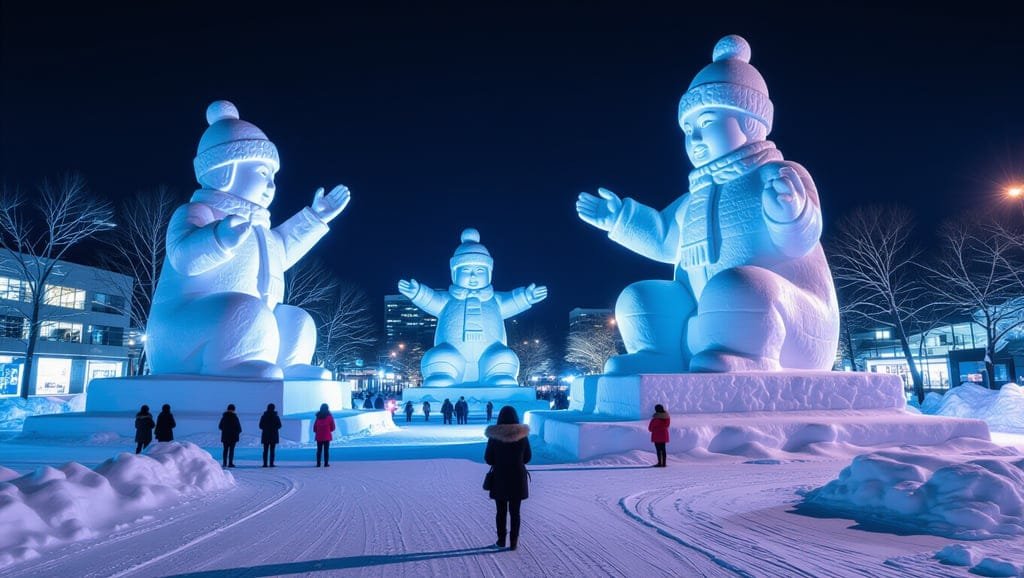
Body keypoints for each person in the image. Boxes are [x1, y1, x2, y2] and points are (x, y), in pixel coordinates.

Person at [575, 35, 839, 375]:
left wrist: (788, 211)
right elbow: (663, 236)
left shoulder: (775, 175)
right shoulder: (694, 199)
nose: (695, 138)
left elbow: (799, 241)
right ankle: (661, 354)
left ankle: (749, 356)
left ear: (750, 122)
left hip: (791, 325)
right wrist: (621, 219)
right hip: (705, 321)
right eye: (688, 129)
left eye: (707, 122)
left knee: (737, 288)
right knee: (639, 298)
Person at [147, 100, 352, 380]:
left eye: (273, 176)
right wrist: (218, 238)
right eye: (262, 173)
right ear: (225, 171)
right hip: (183, 334)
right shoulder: (198, 212)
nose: (271, 185)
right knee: (244, 310)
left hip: (241, 327)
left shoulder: (259, 229)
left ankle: (289, 365)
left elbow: (282, 248)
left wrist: (315, 217)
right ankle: (229, 366)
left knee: (295, 318)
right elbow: (184, 257)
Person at [484, 406, 531, 551]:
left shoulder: (494, 436)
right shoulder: (522, 435)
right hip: (518, 478)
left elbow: (488, 459)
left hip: (500, 478)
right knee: (515, 512)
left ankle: (501, 540)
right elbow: (527, 457)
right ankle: (514, 542)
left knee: (501, 511)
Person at [218, 403, 242, 467]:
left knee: (225, 450)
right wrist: (236, 432)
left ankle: (225, 463)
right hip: (233, 437)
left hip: (225, 436)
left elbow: (220, 426)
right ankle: (230, 463)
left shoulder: (224, 417)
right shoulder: (235, 417)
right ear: (234, 410)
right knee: (231, 450)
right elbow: (239, 428)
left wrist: (225, 430)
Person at [259, 403, 283, 467]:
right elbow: (279, 425)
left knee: (265, 450)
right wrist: (274, 428)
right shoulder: (276, 417)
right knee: (272, 450)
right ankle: (271, 463)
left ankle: (265, 464)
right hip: (273, 435)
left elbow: (260, 426)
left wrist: (266, 428)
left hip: (265, 435)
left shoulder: (264, 416)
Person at [313, 403, 336, 467]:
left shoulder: (318, 417)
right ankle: (326, 463)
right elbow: (333, 427)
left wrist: (317, 432)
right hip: (327, 436)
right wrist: (328, 431)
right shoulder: (329, 417)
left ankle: (318, 464)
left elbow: (315, 427)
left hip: (319, 436)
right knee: (326, 450)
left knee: (319, 450)